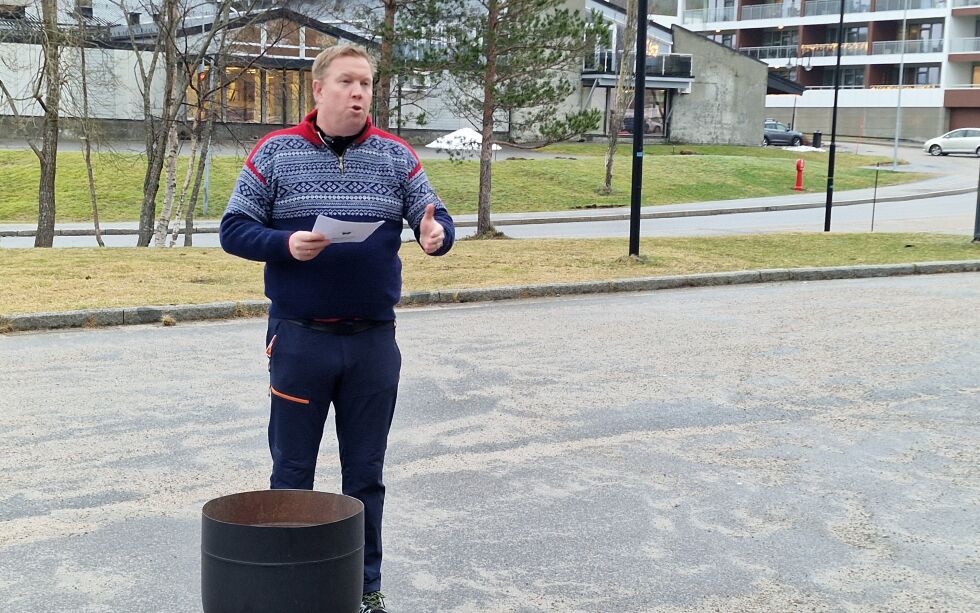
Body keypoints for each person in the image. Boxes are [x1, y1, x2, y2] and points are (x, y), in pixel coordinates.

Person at [219, 44, 454, 613]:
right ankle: (289, 590)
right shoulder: (274, 154)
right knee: (293, 472)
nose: (359, 93)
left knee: (365, 475)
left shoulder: (397, 158)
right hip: (301, 339)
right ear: (318, 90)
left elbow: (434, 215)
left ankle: (364, 588)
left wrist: (436, 235)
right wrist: (283, 243)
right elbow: (232, 229)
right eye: (347, 82)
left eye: (367, 84)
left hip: (373, 341)